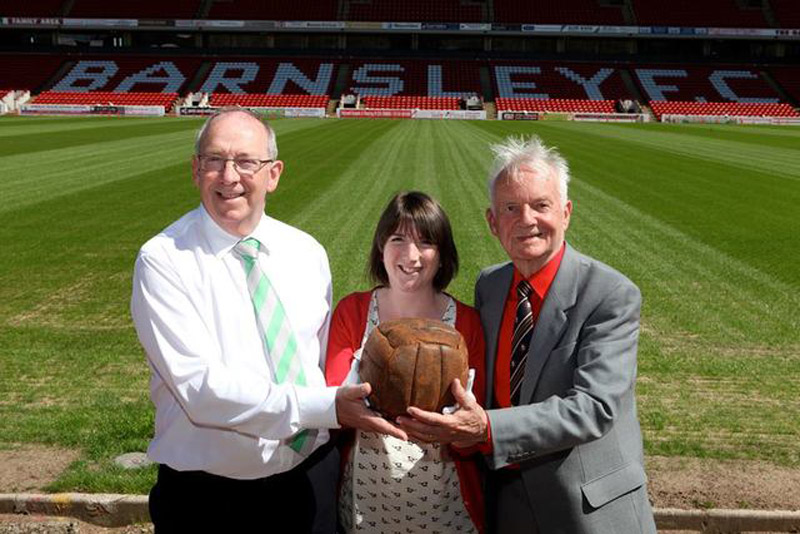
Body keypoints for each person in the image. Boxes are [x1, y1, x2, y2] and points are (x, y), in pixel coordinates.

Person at [130, 108, 406, 533]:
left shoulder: (306, 252)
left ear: (273, 174)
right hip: (207, 498)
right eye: (214, 160)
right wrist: (326, 407)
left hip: (309, 477)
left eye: (246, 161)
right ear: (195, 170)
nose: (228, 176)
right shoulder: (163, 260)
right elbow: (201, 390)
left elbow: (317, 361)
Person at [398, 137, 657, 533]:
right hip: (507, 501)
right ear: (492, 221)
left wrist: (487, 428)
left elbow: (594, 408)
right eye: (511, 208)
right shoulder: (491, 285)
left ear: (566, 213)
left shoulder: (610, 294)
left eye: (541, 205)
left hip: (588, 512)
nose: (527, 220)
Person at [325, 191, 486, 534]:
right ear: (381, 247)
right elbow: (333, 406)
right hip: (367, 504)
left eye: (426, 242)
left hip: (446, 507)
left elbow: (476, 426)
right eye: (398, 239)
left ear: (442, 255)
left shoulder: (468, 323)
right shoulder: (352, 312)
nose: (411, 255)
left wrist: (461, 429)